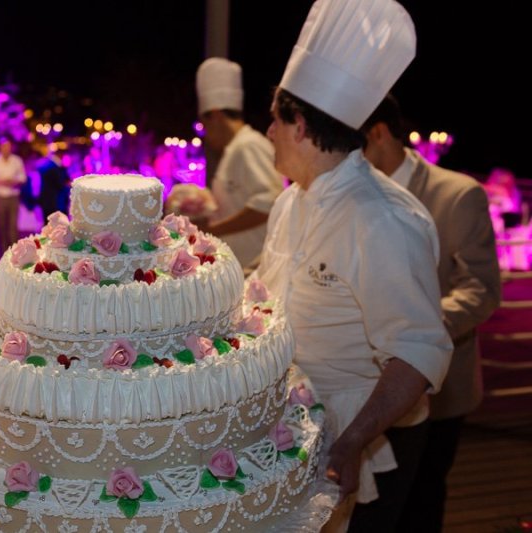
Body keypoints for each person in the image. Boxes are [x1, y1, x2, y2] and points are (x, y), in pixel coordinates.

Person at [253, 0, 453, 531]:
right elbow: (269, 295)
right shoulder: (290, 201)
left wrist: (353, 440)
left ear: (298, 125)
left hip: (369, 439)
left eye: (273, 119)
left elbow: (418, 351)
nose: (267, 133)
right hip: (297, 424)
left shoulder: (384, 221)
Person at [362, 94, 502, 532]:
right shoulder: (359, 196)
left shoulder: (457, 194)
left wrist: (414, 330)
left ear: (379, 133)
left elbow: (480, 289)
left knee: (423, 499)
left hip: (441, 386)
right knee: (377, 501)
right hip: (369, 383)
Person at [193, 57, 284, 270]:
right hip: (240, 268)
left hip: (254, 267)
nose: (206, 133)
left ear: (215, 115)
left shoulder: (248, 145)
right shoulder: (235, 149)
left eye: (204, 124)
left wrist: (214, 229)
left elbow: (270, 202)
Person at [0, 137, 27, 253]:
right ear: (0, 147)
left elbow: (23, 177)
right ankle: (4, 250)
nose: (6, 149)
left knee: (13, 226)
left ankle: (14, 252)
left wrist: (11, 181)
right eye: (4, 147)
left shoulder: (17, 160)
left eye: (9, 147)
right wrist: (3, 181)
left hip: (13, 196)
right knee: (2, 225)